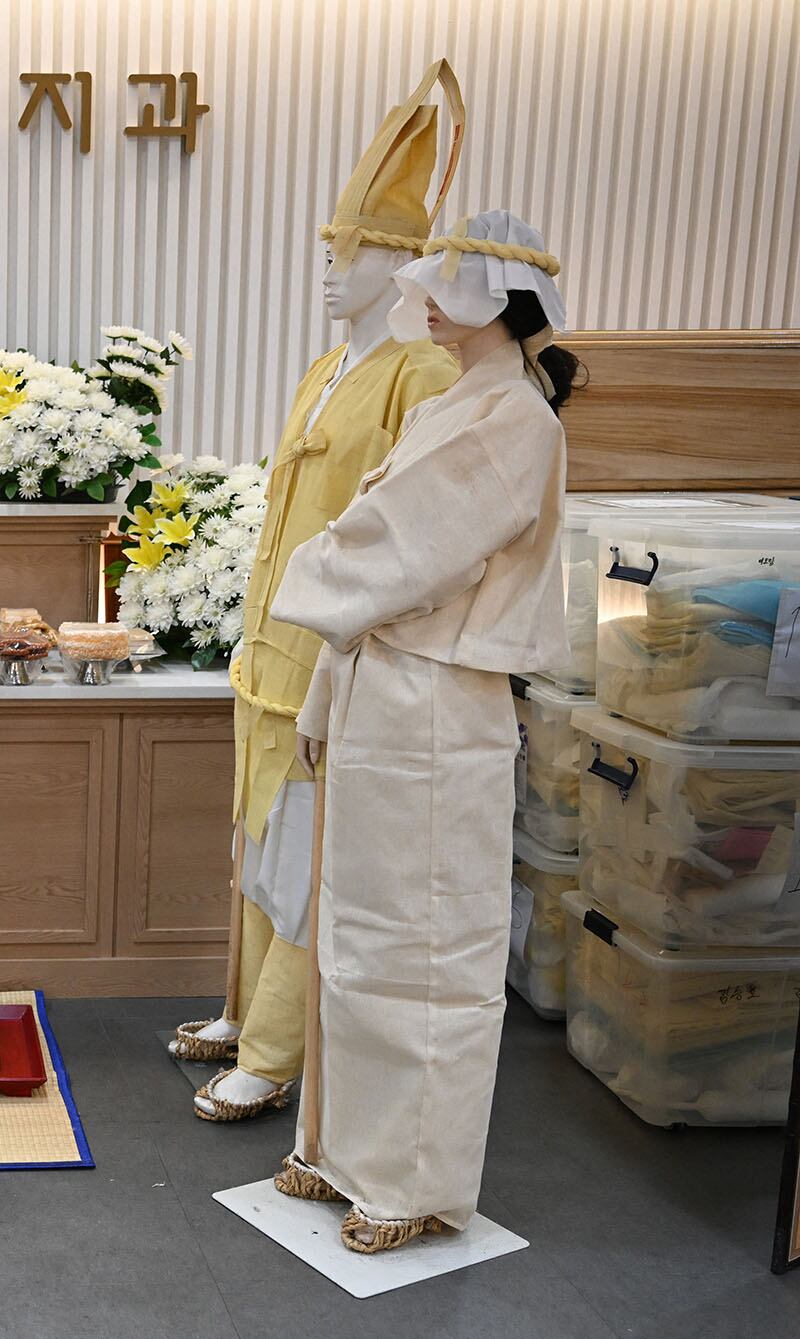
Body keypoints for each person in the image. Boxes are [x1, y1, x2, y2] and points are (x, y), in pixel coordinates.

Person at [266, 211, 577, 1252]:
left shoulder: (517, 421)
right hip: (382, 685)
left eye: (449, 282)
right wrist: (320, 699)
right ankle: (342, 1145)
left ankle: (408, 1178)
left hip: (442, 698)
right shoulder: (455, 405)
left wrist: (303, 582)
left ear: (501, 298)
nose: (425, 295)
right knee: (357, 933)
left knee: (428, 943)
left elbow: (402, 549)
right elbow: (385, 551)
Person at [174, 60, 462, 1124]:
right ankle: (244, 1011)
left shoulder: (419, 377)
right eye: (332, 253)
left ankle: (279, 1050)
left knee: (303, 863)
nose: (332, 272)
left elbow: (410, 537)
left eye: (352, 254)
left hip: (333, 667)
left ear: (399, 266)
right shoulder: (322, 368)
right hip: (268, 652)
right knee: (254, 846)